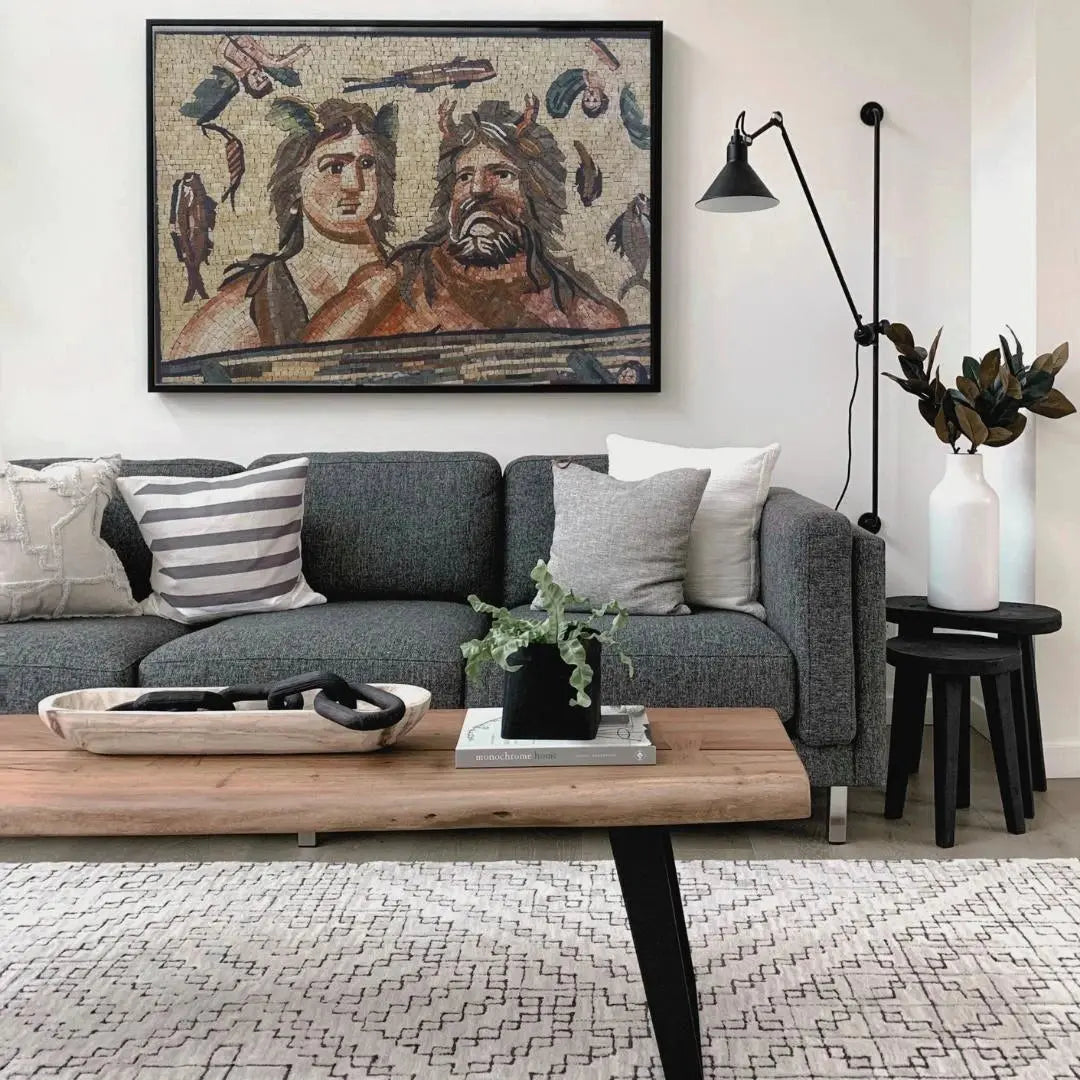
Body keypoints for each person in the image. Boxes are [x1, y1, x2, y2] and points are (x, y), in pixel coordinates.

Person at [357, 95, 627, 336]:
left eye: (501, 173)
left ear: (537, 193)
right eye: (464, 177)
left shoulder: (578, 310)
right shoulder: (398, 282)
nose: (479, 189)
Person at [167, 99, 398, 359]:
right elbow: (187, 366)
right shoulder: (263, 294)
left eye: (366, 164)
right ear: (296, 184)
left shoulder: (416, 274)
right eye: (334, 167)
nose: (353, 184)